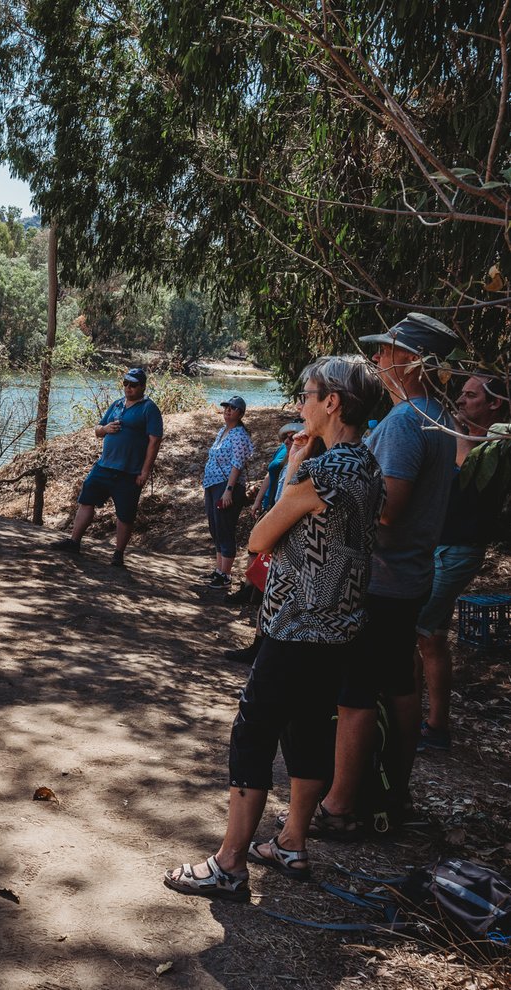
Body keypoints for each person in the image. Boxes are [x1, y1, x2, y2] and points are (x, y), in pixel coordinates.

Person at [164, 355, 385, 901]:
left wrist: (293, 467)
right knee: (308, 728)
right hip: (338, 628)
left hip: (296, 627)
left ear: (331, 402)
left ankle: (230, 863)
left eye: (307, 393)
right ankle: (291, 843)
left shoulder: (325, 472)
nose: (300, 403)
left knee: (254, 732)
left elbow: (260, 538)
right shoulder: (366, 465)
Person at [305, 313, 459, 836]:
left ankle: (340, 806)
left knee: (355, 694)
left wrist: (329, 497)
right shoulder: (437, 416)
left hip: (381, 578)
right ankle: (395, 790)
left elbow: (388, 507)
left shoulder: (403, 422)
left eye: (387, 352)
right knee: (398, 683)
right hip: (411, 576)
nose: (377, 361)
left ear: (413, 361)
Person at [414, 374, 510, 751]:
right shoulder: (471, 436)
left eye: (471, 395)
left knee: (412, 631)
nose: (461, 400)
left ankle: (403, 719)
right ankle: (436, 725)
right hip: (439, 547)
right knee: (433, 639)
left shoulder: (496, 444)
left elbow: (461, 459)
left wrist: (452, 424)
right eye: (462, 394)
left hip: (457, 552)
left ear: (494, 404)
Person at [55, 367, 164, 567]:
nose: (128, 388)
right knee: (86, 500)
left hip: (129, 472)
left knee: (125, 514)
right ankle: (74, 542)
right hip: (104, 466)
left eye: (133, 385)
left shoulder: (149, 408)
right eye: (125, 384)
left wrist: (145, 471)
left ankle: (118, 555)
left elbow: (155, 441)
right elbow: (97, 430)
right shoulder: (117, 404)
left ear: (142, 387)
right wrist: (105, 429)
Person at [225, 422, 304, 608]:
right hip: (271, 504)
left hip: (281, 509)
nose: (288, 440)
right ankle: (249, 588)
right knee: (255, 548)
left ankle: (259, 592)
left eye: (292, 436)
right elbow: (269, 475)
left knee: (268, 550)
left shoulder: (301, 458)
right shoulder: (281, 452)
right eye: (286, 436)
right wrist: (258, 500)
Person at [201, 396, 255, 589]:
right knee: (215, 528)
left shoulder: (240, 435)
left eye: (233, 408)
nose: (228, 410)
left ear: (240, 413)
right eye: (226, 407)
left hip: (227, 487)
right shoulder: (223, 430)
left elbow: (237, 464)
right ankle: (218, 570)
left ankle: (226, 575)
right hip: (213, 484)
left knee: (225, 529)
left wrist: (229, 490)